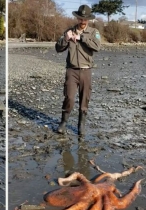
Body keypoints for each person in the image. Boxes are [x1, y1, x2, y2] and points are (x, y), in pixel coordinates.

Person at [55, 4, 100, 136]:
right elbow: (58, 48)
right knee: (69, 97)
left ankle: (81, 125)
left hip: (86, 70)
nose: (82, 21)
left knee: (85, 99)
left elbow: (97, 46)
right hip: (72, 70)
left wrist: (82, 38)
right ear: (77, 18)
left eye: (85, 19)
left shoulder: (94, 32)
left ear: (88, 20)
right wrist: (65, 39)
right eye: (80, 18)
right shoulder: (69, 31)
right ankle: (63, 122)